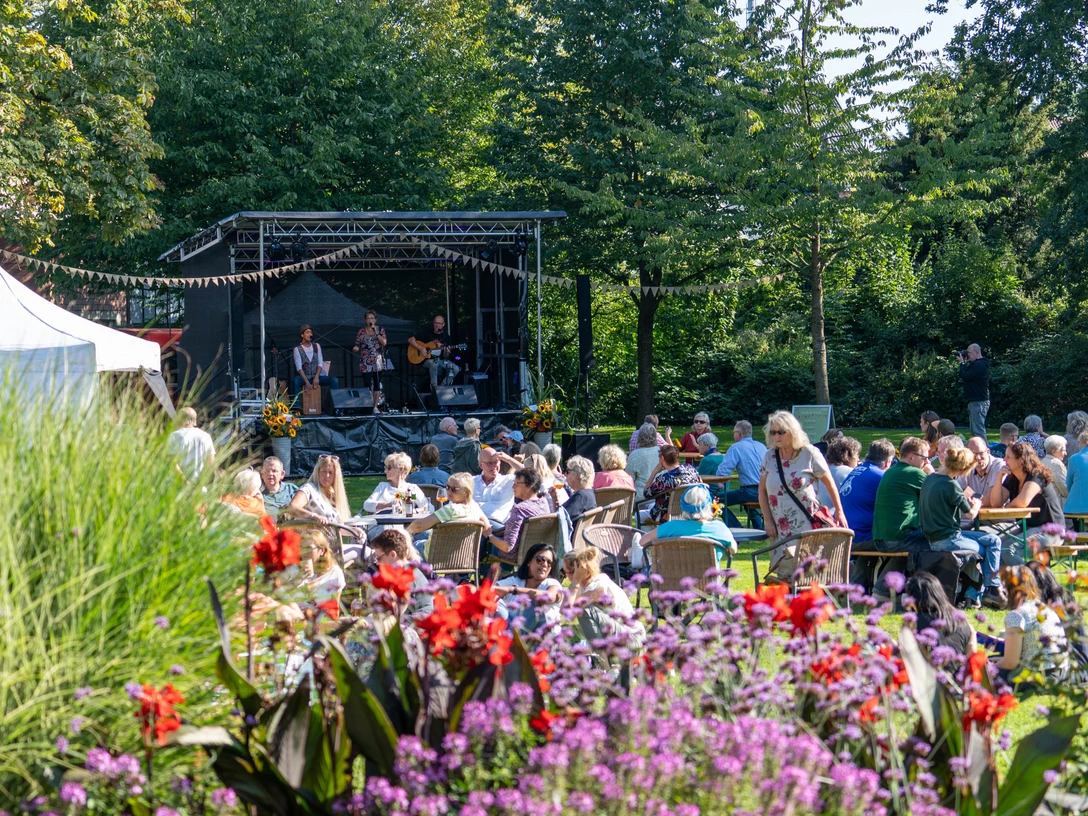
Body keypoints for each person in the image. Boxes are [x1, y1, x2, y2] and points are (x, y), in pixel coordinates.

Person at [758, 411, 847, 580]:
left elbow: (829, 483)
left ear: (793, 431)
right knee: (784, 571)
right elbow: (761, 490)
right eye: (773, 432)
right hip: (780, 524)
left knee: (809, 572)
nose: (776, 436)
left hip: (807, 522)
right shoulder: (769, 456)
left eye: (781, 432)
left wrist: (840, 511)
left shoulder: (809, 453)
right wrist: (767, 520)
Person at [919, 447, 1005, 609]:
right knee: (988, 547)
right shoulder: (951, 485)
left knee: (993, 540)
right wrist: (977, 504)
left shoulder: (930, 479)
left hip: (934, 537)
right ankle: (988, 591)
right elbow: (972, 514)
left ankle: (986, 590)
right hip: (949, 539)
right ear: (963, 469)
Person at [993, 565, 1068, 685]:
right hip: (1061, 673)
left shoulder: (1016, 615)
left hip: (1039, 676)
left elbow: (1010, 663)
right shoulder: (1045, 608)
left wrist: (987, 667)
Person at [563, 546, 645, 653]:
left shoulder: (599, 584)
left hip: (632, 638)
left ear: (580, 570)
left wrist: (575, 581)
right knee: (564, 631)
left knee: (585, 610)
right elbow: (563, 610)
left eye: (567, 572)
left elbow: (569, 609)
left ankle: (603, 662)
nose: (565, 576)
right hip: (615, 634)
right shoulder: (582, 587)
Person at [989, 441, 1065, 543]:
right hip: (1028, 527)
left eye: (1008, 457)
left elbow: (1022, 502)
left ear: (1020, 460)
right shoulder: (1013, 478)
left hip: (1051, 530)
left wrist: (1006, 507)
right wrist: (999, 477)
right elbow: (995, 503)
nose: (1004, 460)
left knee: (1009, 550)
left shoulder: (1037, 476)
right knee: (996, 543)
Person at [639, 484, 737, 561]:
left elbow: (642, 541)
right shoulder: (719, 528)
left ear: (683, 505)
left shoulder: (671, 527)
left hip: (672, 583)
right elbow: (733, 550)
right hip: (709, 584)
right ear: (709, 505)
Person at [494, 543, 563, 634]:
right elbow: (490, 591)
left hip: (539, 641)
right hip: (511, 629)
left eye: (549, 563)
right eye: (540, 560)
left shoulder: (552, 584)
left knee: (536, 603)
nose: (545, 565)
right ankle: (509, 639)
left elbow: (549, 597)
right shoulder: (516, 581)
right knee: (493, 600)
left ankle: (508, 639)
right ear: (528, 561)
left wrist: (513, 590)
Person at [905, 572, 977, 655]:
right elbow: (972, 656)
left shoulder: (915, 623)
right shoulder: (962, 622)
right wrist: (972, 636)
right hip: (958, 667)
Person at [838, 439, 895, 544]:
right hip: (861, 536)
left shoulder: (856, 470)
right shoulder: (880, 476)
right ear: (887, 462)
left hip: (843, 534)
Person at [485, 468, 550, 560]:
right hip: (536, 551)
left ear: (529, 486)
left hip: (516, 554)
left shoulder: (520, 509)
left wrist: (489, 536)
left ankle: (472, 572)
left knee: (482, 534)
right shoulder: (543, 503)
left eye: (517, 484)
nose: (513, 487)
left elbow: (507, 547)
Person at [715, 420, 768, 528]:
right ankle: (759, 529)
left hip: (751, 491)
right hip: (767, 490)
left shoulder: (736, 447)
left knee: (714, 501)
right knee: (745, 496)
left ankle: (736, 527)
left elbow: (723, 471)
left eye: (734, 432)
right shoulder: (761, 446)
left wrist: (720, 479)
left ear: (738, 434)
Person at [368, 528, 432, 617]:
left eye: (379, 558)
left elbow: (395, 614)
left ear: (392, 555)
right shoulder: (408, 569)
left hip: (415, 623)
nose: (378, 563)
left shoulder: (404, 575)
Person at [407, 472, 490, 536]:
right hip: (464, 555)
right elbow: (487, 528)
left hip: (436, 553)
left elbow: (418, 526)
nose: (449, 491)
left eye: (454, 489)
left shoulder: (451, 509)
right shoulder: (474, 506)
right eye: (447, 487)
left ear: (466, 492)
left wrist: (403, 533)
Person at [642, 445, 701, 524]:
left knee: (638, 515)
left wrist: (654, 471)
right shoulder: (690, 469)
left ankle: (653, 535)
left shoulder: (663, 479)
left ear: (662, 458)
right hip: (690, 512)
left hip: (666, 516)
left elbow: (646, 493)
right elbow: (701, 483)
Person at [363, 452, 428, 514]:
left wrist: (415, 511)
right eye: (385, 467)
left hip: (404, 524)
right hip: (382, 523)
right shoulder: (382, 487)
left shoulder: (412, 489)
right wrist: (388, 505)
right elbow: (367, 505)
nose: (385, 471)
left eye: (389, 468)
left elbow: (429, 507)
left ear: (400, 469)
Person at [408, 314, 458, 390]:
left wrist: (446, 352)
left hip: (440, 360)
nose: (436, 325)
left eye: (439, 323)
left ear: (443, 324)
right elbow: (410, 340)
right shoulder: (427, 333)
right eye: (435, 323)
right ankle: (434, 387)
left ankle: (442, 386)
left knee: (455, 368)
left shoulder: (446, 337)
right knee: (434, 364)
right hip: (426, 360)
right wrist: (421, 348)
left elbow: (445, 356)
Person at [351, 310, 387, 413]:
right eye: (368, 318)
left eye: (372, 318)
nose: (370, 320)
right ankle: (368, 405)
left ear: (375, 319)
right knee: (367, 383)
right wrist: (356, 348)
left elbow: (384, 343)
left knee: (376, 383)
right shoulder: (361, 331)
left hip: (377, 361)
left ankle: (375, 406)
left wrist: (376, 333)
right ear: (365, 320)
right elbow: (357, 344)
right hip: (365, 361)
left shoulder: (380, 330)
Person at [167, 407, 216, 481]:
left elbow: (172, 463)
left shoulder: (174, 436)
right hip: (200, 487)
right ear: (194, 421)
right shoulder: (206, 436)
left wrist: (185, 482)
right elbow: (211, 463)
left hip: (178, 486)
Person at [958, 437, 1006, 511]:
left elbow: (991, 501)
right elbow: (956, 494)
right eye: (973, 454)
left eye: (981, 453)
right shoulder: (968, 467)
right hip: (972, 519)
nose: (978, 458)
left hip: (996, 519)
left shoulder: (999, 465)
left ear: (988, 452)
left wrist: (969, 498)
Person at [474, 447, 517, 530]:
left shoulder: (508, 480)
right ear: (481, 465)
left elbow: (531, 476)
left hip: (498, 527)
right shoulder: (471, 482)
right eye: (489, 463)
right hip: (473, 525)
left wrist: (509, 460)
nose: (494, 466)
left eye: (496, 462)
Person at [292, 324, 338, 395]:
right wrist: (307, 382)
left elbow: (320, 363)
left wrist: (316, 377)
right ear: (302, 335)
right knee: (296, 381)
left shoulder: (316, 346)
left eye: (311, 332)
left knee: (334, 380)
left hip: (316, 376)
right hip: (304, 377)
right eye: (307, 332)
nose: (310, 334)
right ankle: (297, 405)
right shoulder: (297, 349)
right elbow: (299, 367)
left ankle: (332, 404)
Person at [959, 343, 990, 439]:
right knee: (974, 430)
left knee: (978, 432)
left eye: (969, 353)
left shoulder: (980, 364)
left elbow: (965, 376)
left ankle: (983, 451)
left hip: (979, 402)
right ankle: (977, 451)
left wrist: (962, 363)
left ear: (977, 352)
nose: (968, 355)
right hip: (975, 402)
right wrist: (964, 362)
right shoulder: (976, 364)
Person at [819, 437, 861, 507]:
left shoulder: (822, 471)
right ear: (850, 455)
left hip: (819, 513)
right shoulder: (850, 473)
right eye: (857, 455)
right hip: (836, 514)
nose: (858, 459)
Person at [626, 423, 664, 496]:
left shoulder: (634, 455)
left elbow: (629, 479)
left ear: (639, 437)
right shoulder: (662, 452)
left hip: (642, 496)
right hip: (660, 494)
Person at [557, 456, 598, 522]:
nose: (565, 474)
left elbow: (560, 519)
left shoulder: (580, 496)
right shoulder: (589, 493)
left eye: (567, 472)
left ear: (576, 475)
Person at [1065, 429, 1088, 513]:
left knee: (1077, 525)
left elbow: (1069, 484)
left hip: (1077, 506)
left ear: (1082, 442)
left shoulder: (1074, 458)